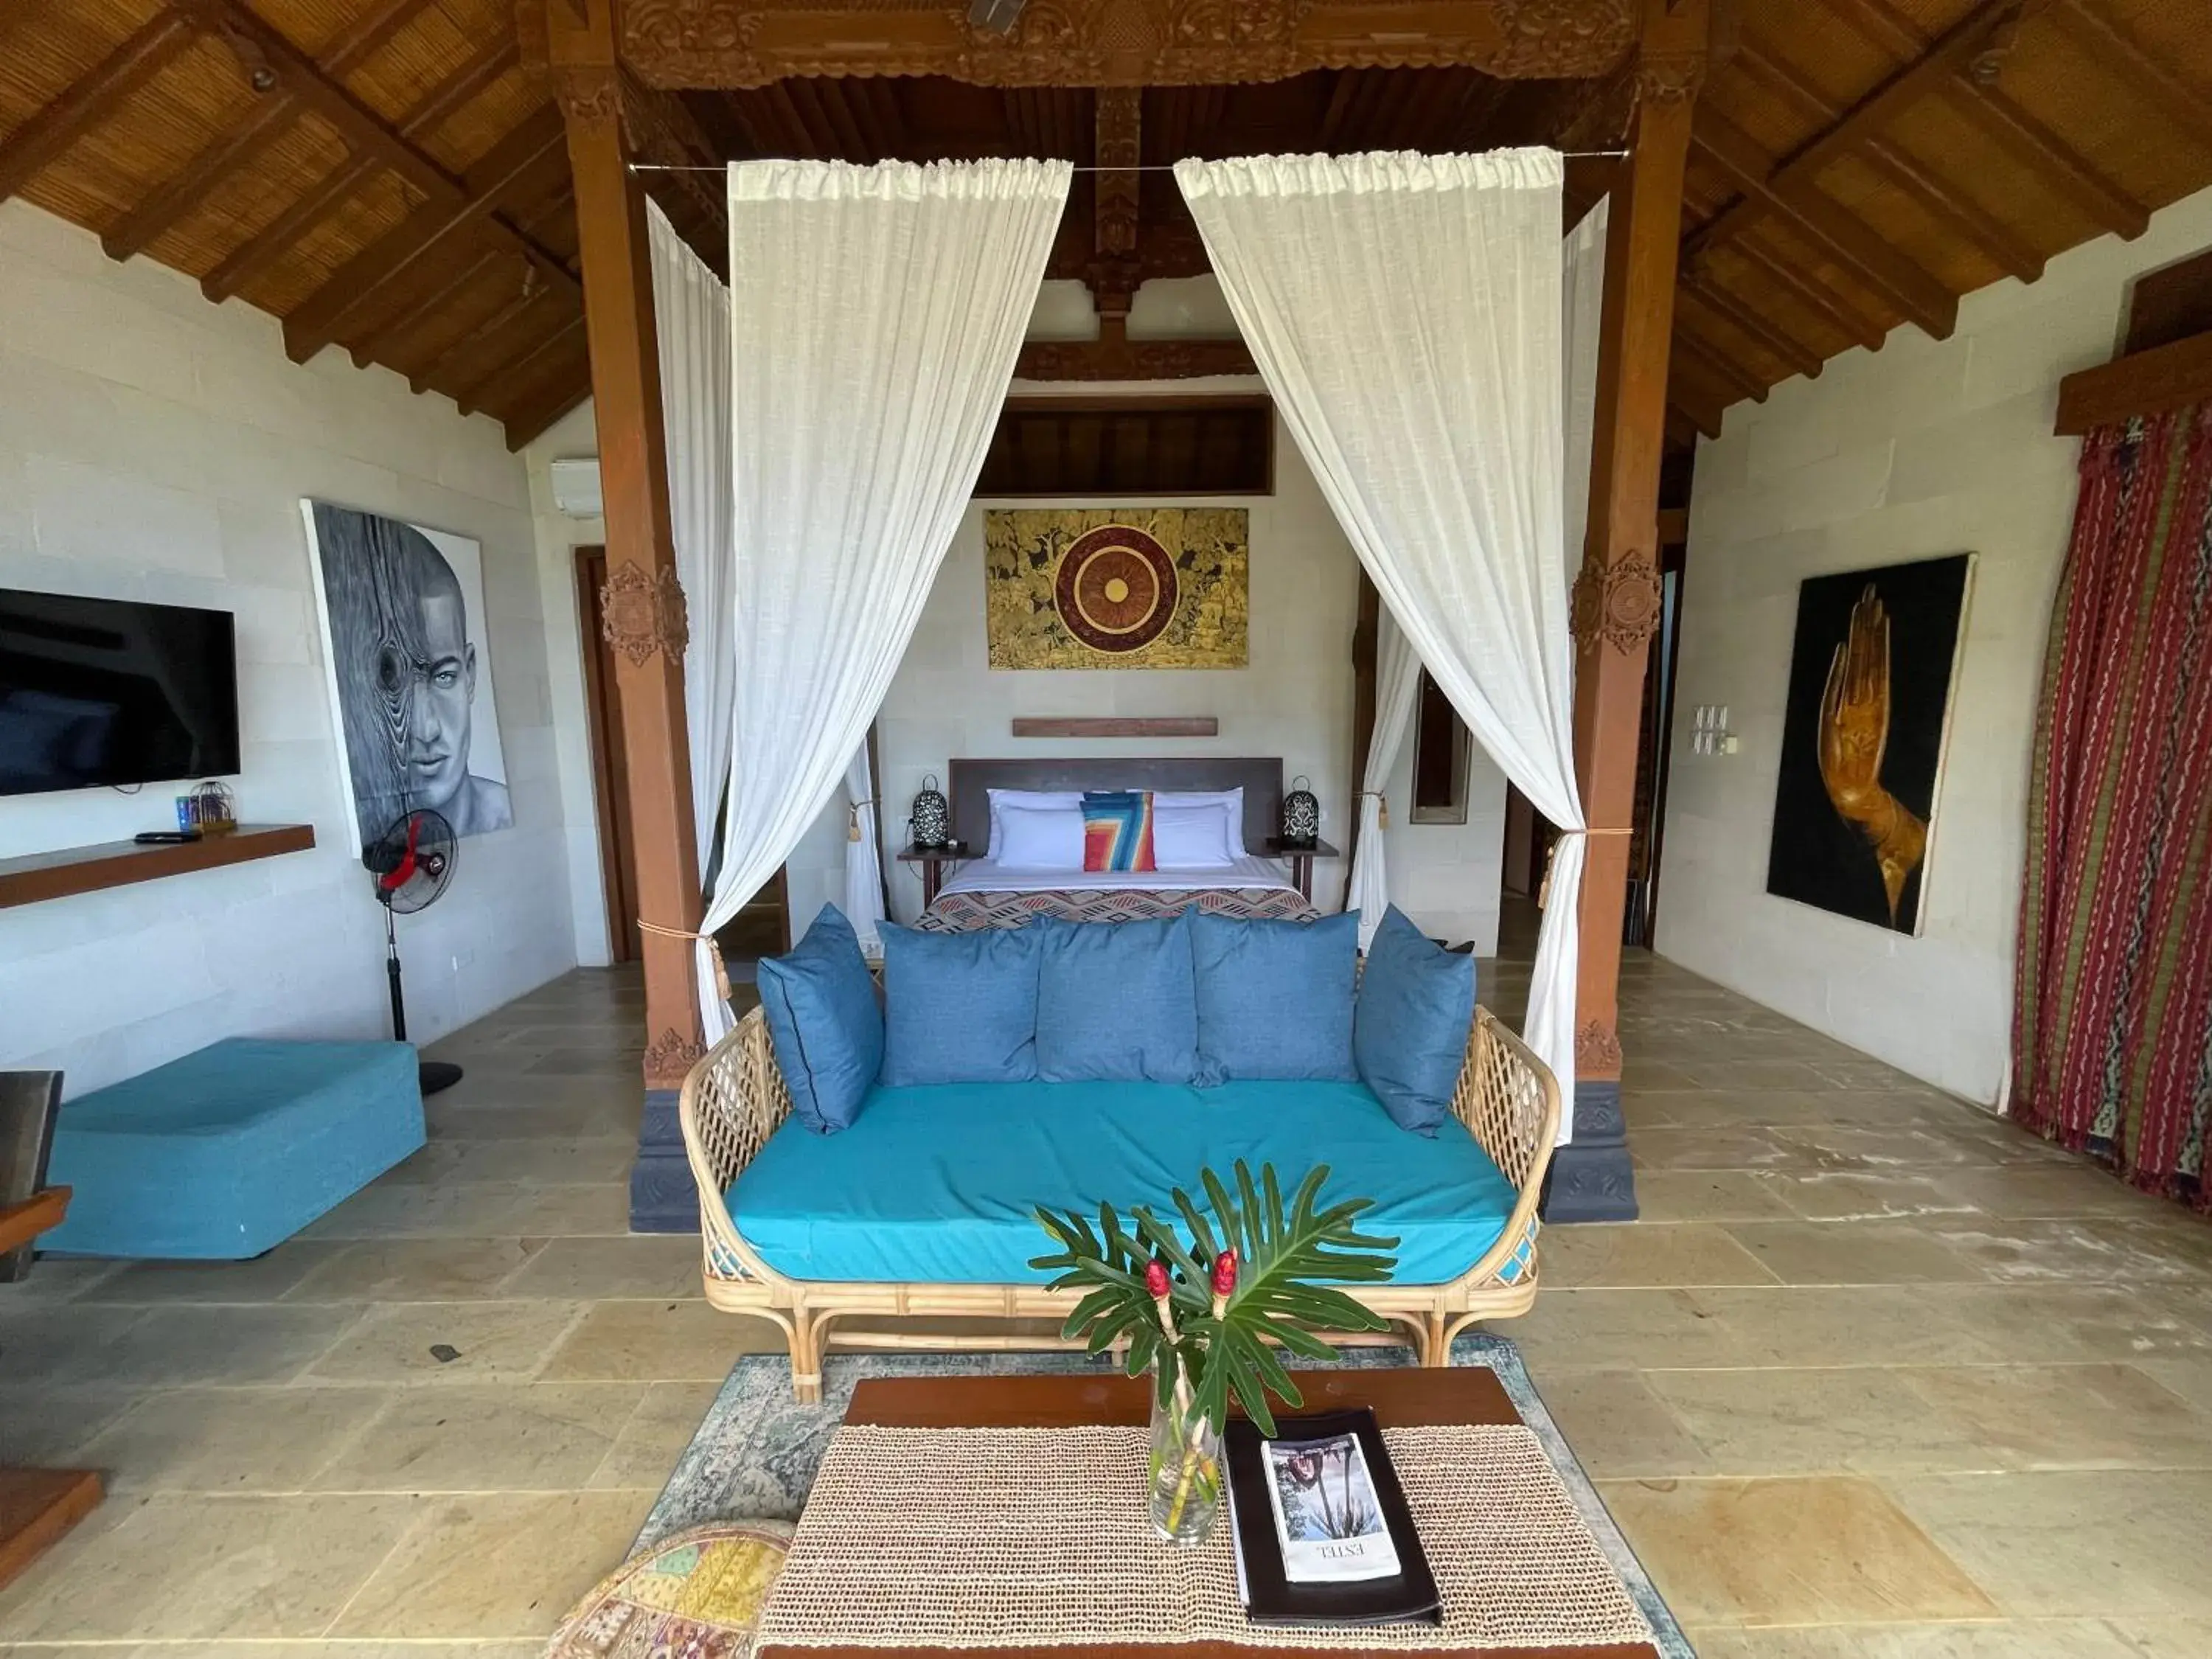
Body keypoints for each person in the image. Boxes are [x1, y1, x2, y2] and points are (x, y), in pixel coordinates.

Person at [317, 505, 512, 843]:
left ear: (470, 673)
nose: (426, 729)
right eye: (393, 684)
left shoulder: (498, 809)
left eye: (444, 677)